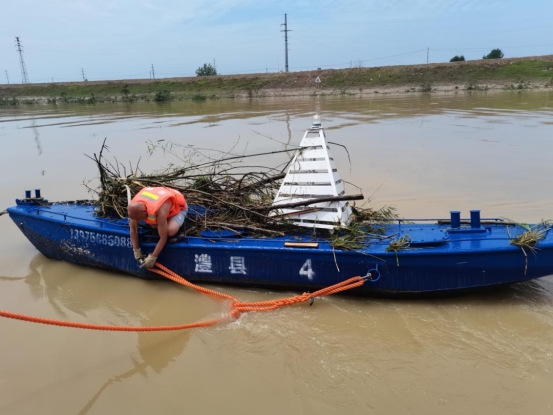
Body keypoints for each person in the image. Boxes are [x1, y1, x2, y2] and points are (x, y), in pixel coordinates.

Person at [128, 187, 188, 269]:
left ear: (144, 211)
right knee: (155, 225)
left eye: (139, 218)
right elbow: (133, 229)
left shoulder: (159, 211)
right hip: (162, 203)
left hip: (178, 207)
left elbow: (163, 238)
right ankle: (163, 223)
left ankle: (178, 227)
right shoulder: (133, 209)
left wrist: (153, 257)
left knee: (169, 231)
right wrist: (136, 251)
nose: (138, 220)